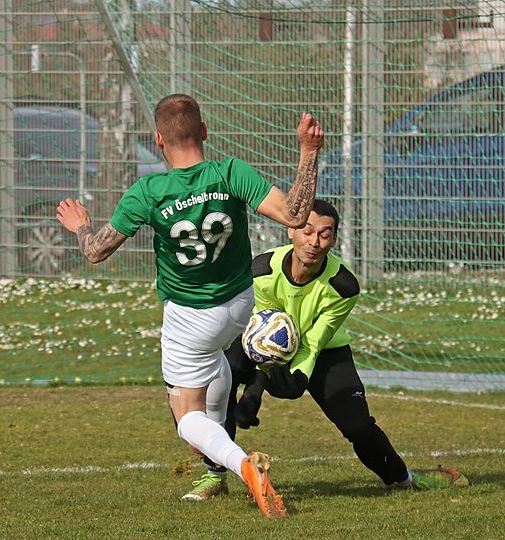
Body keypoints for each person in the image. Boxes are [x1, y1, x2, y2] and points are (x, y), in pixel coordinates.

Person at [56, 94, 324, 518]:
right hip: (240, 304)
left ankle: (241, 466)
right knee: (214, 366)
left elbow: (95, 252)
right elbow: (295, 215)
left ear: (159, 140)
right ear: (204, 131)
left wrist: (81, 225)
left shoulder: (149, 192)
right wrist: (308, 152)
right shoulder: (231, 172)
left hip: (191, 318)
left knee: (186, 419)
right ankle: (215, 470)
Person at [183, 199, 469, 501]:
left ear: (333, 240)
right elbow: (262, 337)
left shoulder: (343, 285)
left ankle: (404, 479)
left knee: (358, 426)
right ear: (291, 232)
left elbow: (314, 341)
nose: (314, 242)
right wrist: (255, 390)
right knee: (224, 375)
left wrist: (299, 376)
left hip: (323, 352)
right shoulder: (261, 271)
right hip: (265, 348)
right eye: (307, 231)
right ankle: (215, 474)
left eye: (324, 234)